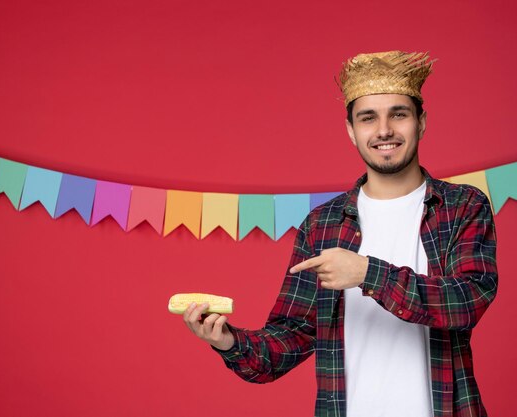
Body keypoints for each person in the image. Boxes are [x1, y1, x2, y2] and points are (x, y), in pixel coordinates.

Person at [182, 51, 498, 417]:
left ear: (422, 122)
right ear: (351, 130)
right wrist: (227, 341)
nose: (383, 130)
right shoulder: (322, 225)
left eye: (398, 114)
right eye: (368, 118)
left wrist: (366, 273)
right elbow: (291, 337)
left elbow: (467, 302)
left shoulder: (462, 206)